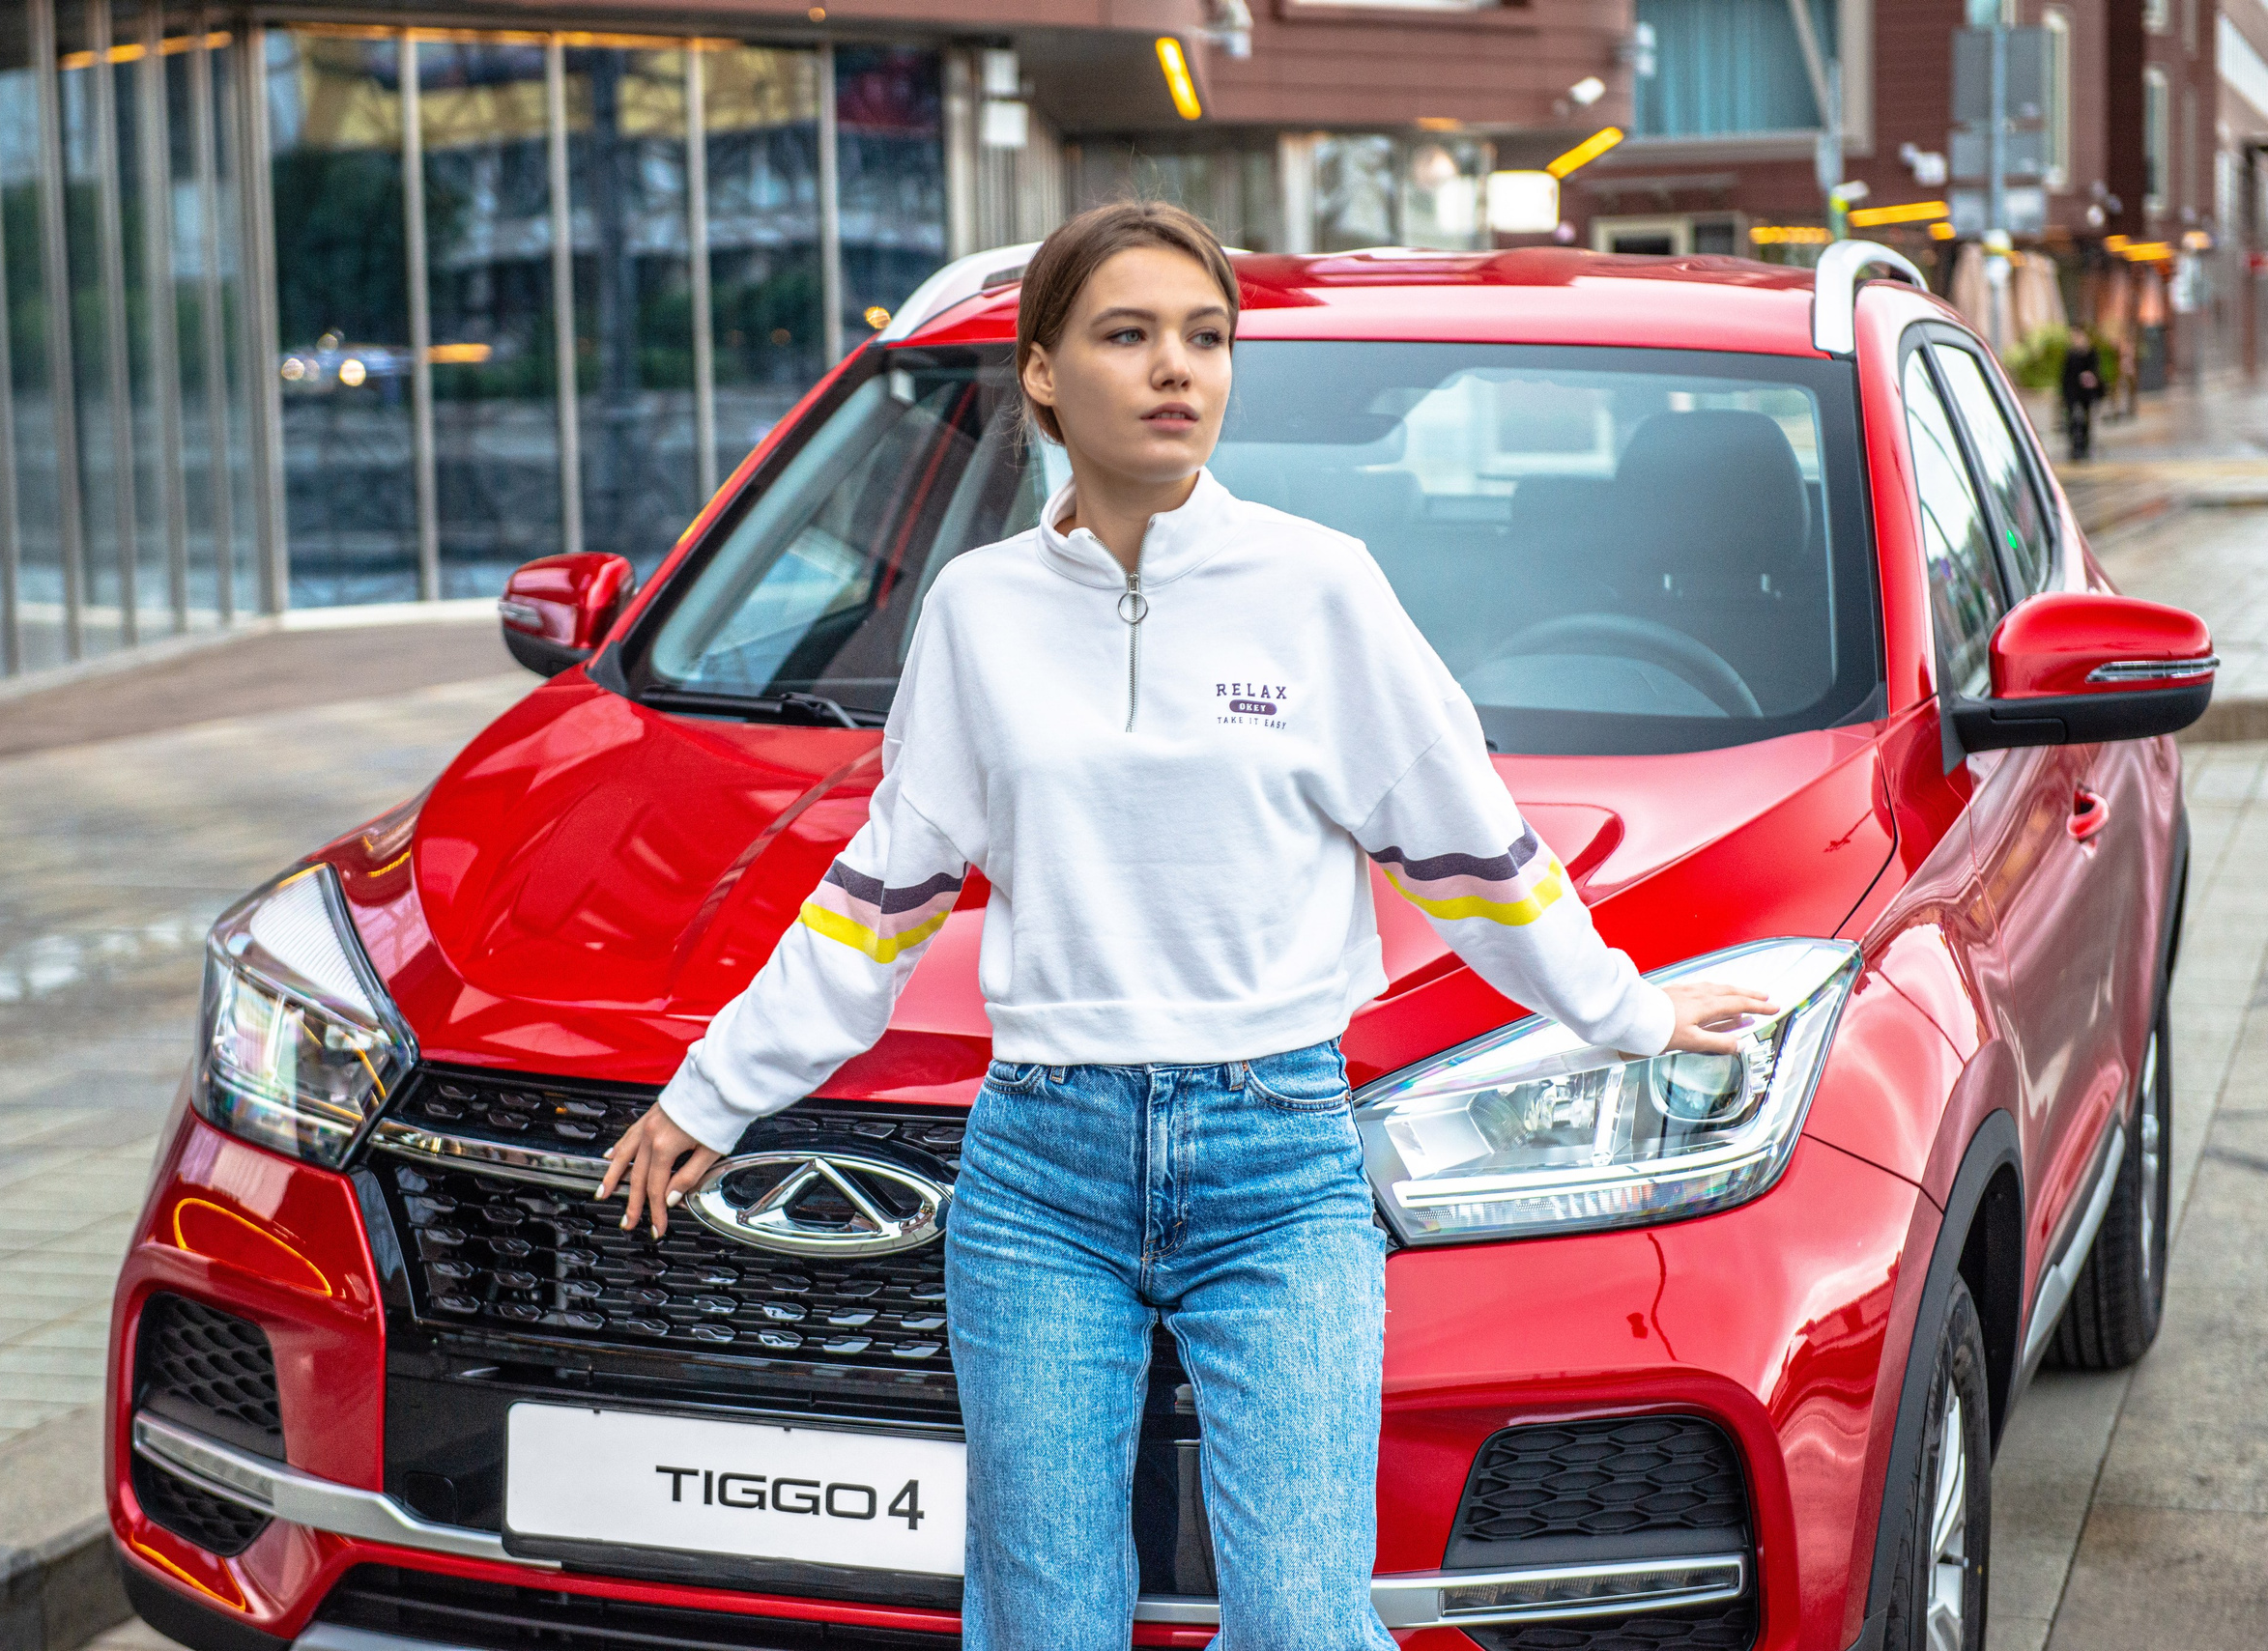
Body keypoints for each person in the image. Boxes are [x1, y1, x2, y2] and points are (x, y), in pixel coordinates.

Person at [596, 201, 1772, 1649]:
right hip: (1039, 1173)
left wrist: (1628, 1009)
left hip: (1278, 1164)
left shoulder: (1317, 587)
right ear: (1042, 372)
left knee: (1299, 1623)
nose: (1177, 368)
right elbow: (879, 899)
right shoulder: (977, 610)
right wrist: (712, 1090)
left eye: (1205, 338)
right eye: (1129, 334)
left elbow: (1471, 852)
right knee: (1043, 1621)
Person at [2060, 325, 2106, 462]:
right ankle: (2076, 446)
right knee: (2073, 419)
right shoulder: (2070, 354)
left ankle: (2084, 444)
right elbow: (2066, 375)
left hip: (2086, 392)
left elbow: (2096, 372)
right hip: (2072, 392)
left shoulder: (2090, 353)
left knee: (2086, 419)